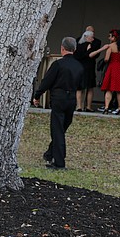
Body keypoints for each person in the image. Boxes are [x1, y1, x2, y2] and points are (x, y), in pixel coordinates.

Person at [32, 36, 84, 170]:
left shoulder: (58, 64)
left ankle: (59, 163)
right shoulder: (79, 66)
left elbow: (47, 81)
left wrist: (37, 95)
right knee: (62, 128)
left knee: (57, 129)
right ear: (75, 49)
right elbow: (81, 85)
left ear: (62, 48)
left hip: (59, 98)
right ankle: (50, 154)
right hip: (72, 99)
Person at [90, 29, 120, 115]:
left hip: (113, 67)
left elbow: (106, 59)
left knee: (109, 89)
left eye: (110, 36)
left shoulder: (110, 46)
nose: (109, 38)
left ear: (114, 37)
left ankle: (106, 107)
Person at [73, 30, 99, 112]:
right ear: (86, 37)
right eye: (91, 37)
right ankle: (88, 106)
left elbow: (76, 56)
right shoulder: (89, 46)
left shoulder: (78, 46)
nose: (93, 39)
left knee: (79, 88)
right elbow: (90, 55)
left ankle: (79, 106)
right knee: (90, 88)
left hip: (80, 67)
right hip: (89, 68)